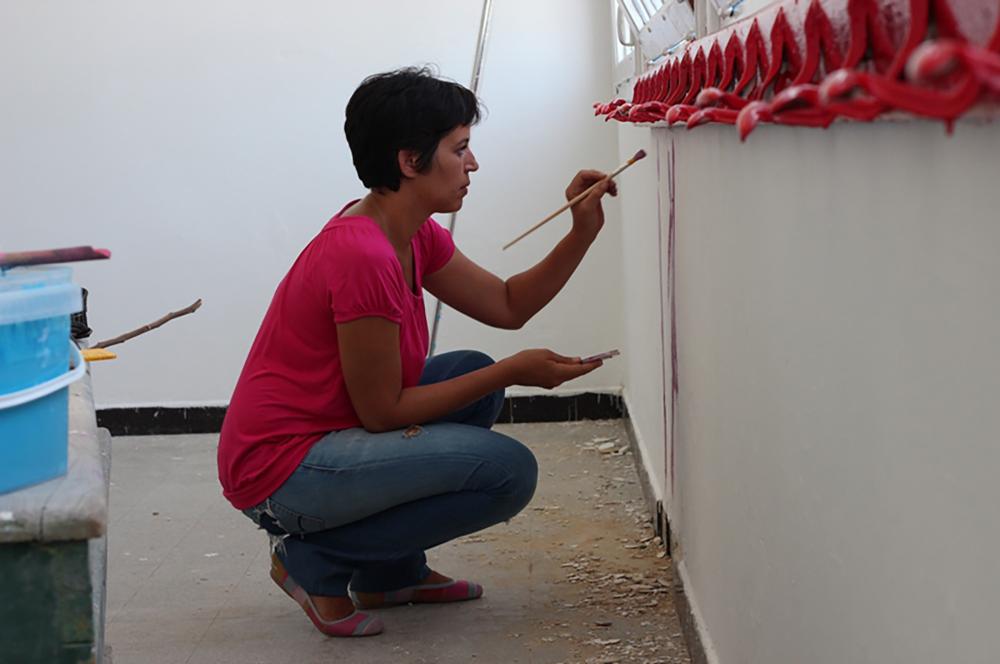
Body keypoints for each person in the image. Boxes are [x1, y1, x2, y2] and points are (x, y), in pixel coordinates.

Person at [217, 67, 617, 637]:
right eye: (460, 149)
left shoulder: (409, 231)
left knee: (472, 373)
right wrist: (515, 369)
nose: (472, 164)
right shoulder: (364, 255)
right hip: (280, 471)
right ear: (410, 161)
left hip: (330, 435)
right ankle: (315, 562)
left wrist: (582, 229)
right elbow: (383, 413)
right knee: (507, 472)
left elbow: (506, 305)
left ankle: (391, 573)